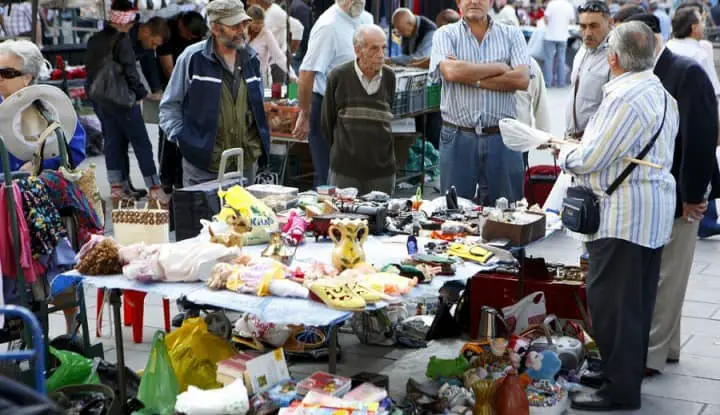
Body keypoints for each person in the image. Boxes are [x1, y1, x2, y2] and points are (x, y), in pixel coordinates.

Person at [558, 21, 679, 411]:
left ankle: (620, 389)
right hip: (649, 213)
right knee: (635, 303)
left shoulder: (625, 97)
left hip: (624, 216)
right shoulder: (659, 91)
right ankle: (618, 371)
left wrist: (563, 154)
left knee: (612, 303)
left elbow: (591, 157)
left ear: (613, 57)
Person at [619, 13, 720, 377]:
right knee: (666, 274)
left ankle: (650, 356)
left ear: (643, 39)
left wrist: (693, 194)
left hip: (681, 194)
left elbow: (702, 138)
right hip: (655, 193)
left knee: (667, 276)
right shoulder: (644, 72)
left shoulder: (685, 72)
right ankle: (669, 346)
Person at [0, 39, 87, 335]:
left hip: (45, 209)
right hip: (6, 206)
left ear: (26, 77)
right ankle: (19, 327)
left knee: (56, 262)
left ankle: (71, 325)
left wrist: (37, 168)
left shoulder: (51, 107)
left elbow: (75, 150)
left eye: (5, 73)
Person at [159, 0, 270, 187]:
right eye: (235, 26)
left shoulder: (251, 59)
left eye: (244, 24)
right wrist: (184, 140)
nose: (242, 30)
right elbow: (169, 107)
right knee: (204, 216)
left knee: (242, 216)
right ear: (216, 29)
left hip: (244, 164)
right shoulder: (192, 58)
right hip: (203, 166)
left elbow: (257, 106)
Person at [430, 0, 530, 204]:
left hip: (502, 136)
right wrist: (500, 66)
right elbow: (450, 71)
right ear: (459, 2)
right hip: (457, 135)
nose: (474, 1)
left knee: (507, 212)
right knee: (453, 211)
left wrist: (470, 76)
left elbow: (521, 79)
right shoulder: (445, 34)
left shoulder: (512, 34)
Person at [86, 0, 170, 207]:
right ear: (124, 21)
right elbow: (131, 73)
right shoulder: (122, 41)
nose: (133, 25)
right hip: (123, 101)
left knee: (113, 142)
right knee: (142, 142)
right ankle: (155, 189)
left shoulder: (94, 39)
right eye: (131, 21)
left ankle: (117, 189)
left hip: (101, 100)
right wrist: (142, 94)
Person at [292, 0, 372, 186]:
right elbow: (306, 72)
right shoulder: (328, 25)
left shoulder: (366, 18)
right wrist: (304, 113)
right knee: (328, 174)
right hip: (328, 106)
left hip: (358, 105)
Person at [322, 24, 396, 195]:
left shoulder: (390, 77)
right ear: (357, 50)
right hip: (345, 169)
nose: (381, 55)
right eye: (374, 49)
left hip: (382, 170)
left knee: (379, 219)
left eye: (383, 48)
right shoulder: (338, 76)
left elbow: (387, 115)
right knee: (342, 220)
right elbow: (327, 122)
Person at [666, 7, 720, 238]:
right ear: (693, 26)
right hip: (696, 117)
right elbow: (713, 91)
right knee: (702, 164)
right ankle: (706, 219)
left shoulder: (668, 49)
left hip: (670, 123)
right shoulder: (699, 53)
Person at [154, 11, 208, 192]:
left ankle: (180, 179)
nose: (191, 39)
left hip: (197, 93)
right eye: (189, 35)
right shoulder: (167, 33)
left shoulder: (200, 35)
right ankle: (167, 179)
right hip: (175, 89)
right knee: (170, 139)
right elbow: (171, 72)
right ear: (181, 27)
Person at [566, 1, 612, 140]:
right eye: (583, 26)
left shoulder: (615, 56)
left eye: (593, 26)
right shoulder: (583, 50)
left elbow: (612, 111)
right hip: (572, 139)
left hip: (593, 143)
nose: (587, 33)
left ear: (609, 23)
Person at [247, 5, 297, 83]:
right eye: (255, 23)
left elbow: (279, 57)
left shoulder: (267, 34)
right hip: (242, 77)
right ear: (248, 21)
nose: (258, 26)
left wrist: (292, 75)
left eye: (261, 23)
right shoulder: (242, 32)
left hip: (260, 78)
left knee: (282, 90)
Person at [543, 0, 575, 87]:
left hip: (550, 36)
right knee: (561, 60)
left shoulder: (551, 4)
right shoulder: (569, 5)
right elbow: (571, 20)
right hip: (563, 36)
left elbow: (546, 19)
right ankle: (561, 83)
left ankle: (548, 83)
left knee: (549, 60)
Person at [291, 0, 313, 71]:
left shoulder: (295, 3)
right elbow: (305, 29)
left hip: (295, 43)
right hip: (301, 48)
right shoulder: (302, 7)